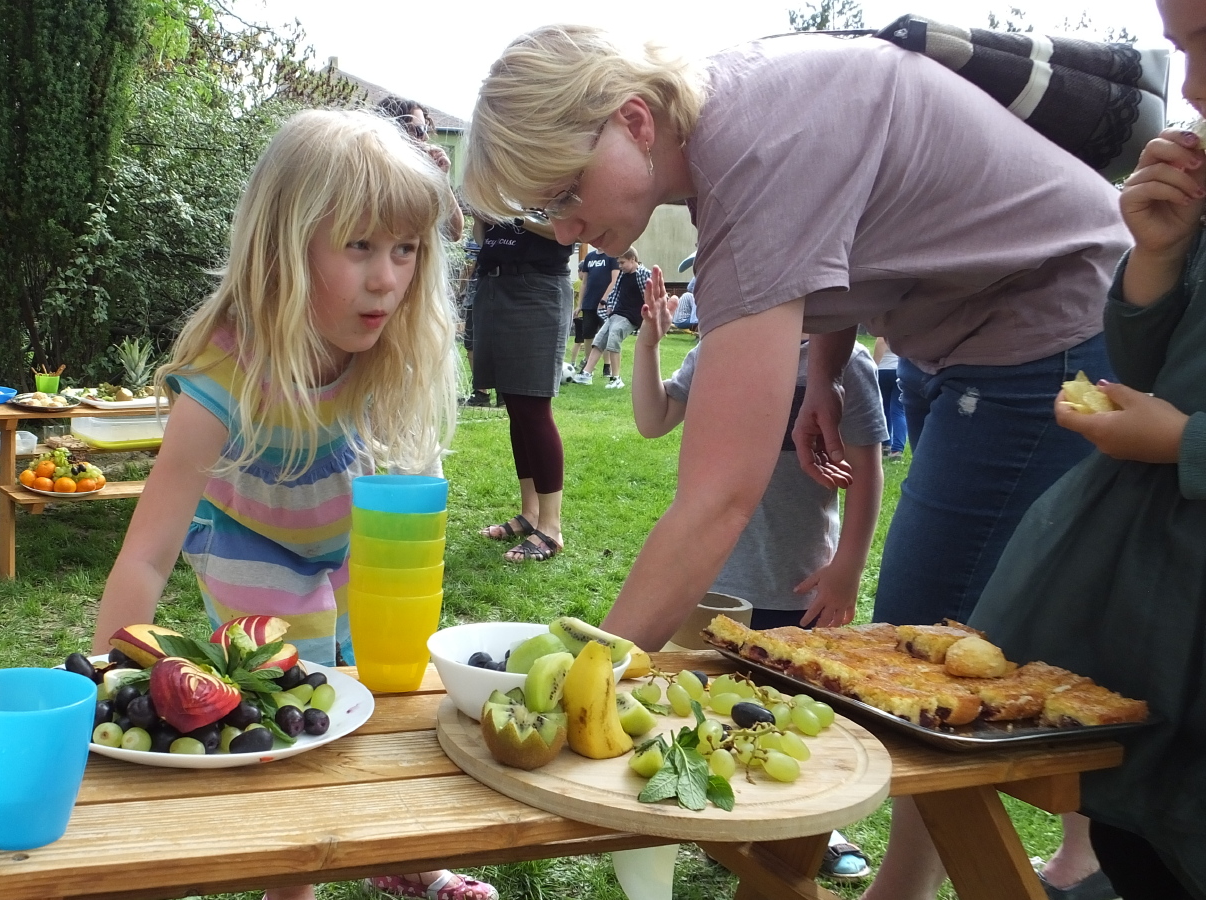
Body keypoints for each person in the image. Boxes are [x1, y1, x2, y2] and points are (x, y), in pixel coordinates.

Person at [461, 25, 1126, 900]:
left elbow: (719, 496)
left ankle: (912, 888)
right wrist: (825, 371)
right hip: (968, 338)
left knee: (914, 651)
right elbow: (858, 226)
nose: (564, 230)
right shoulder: (739, 111)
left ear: (634, 120)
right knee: (917, 641)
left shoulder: (752, 157)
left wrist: (585, 679)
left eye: (563, 192)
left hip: (1050, 331)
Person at [93, 110, 493, 900]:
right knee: (289, 706)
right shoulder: (223, 378)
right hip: (250, 542)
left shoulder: (385, 348)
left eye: (405, 249)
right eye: (359, 246)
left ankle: (398, 852)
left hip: (343, 535)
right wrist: (110, 690)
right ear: (283, 249)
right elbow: (146, 555)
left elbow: (408, 486)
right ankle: (292, 882)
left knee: (379, 689)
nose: (387, 278)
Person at [965, 9, 1206, 892]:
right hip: (1161, 594)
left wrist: (1186, 441)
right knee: (1133, 821)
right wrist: (1160, 256)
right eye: (1182, 50)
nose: (1195, 86)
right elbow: (1157, 366)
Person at [633, 286, 885, 881]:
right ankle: (725, 806)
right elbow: (654, 419)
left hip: (796, 582)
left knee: (796, 708)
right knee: (714, 702)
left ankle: (812, 825)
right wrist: (648, 345)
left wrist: (848, 567)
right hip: (714, 581)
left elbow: (867, 470)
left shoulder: (845, 363)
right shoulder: (719, 349)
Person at [469, 217, 574, 562]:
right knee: (515, 403)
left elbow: (568, 229)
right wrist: (484, 213)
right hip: (494, 284)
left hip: (537, 287)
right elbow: (483, 237)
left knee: (532, 407)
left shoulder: (550, 181)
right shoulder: (495, 184)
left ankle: (551, 528)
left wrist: (511, 213)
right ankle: (531, 514)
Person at [377, 95, 464, 242]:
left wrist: (441, 179)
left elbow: (454, 233)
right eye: (418, 130)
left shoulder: (424, 179)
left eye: (425, 129)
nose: (425, 137)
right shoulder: (372, 179)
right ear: (394, 130)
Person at [576, 246, 649, 388]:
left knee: (614, 337)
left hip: (631, 316)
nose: (619, 266)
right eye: (618, 263)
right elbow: (615, 291)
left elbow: (651, 295)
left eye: (622, 262)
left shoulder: (644, 274)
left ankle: (616, 378)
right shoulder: (623, 275)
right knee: (599, 339)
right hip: (617, 313)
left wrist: (648, 316)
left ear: (632, 259)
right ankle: (586, 374)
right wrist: (608, 304)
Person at [568, 245, 617, 370]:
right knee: (587, 334)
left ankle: (607, 366)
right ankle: (588, 366)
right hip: (589, 303)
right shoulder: (589, 257)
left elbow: (614, 280)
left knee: (606, 334)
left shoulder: (611, 256)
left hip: (605, 304)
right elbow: (584, 282)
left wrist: (604, 299)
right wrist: (580, 305)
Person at [872, 336, 906, 459]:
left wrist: (873, 365)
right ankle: (896, 448)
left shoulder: (887, 327)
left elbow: (882, 341)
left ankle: (886, 444)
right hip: (901, 370)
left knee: (885, 408)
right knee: (898, 410)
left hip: (885, 370)